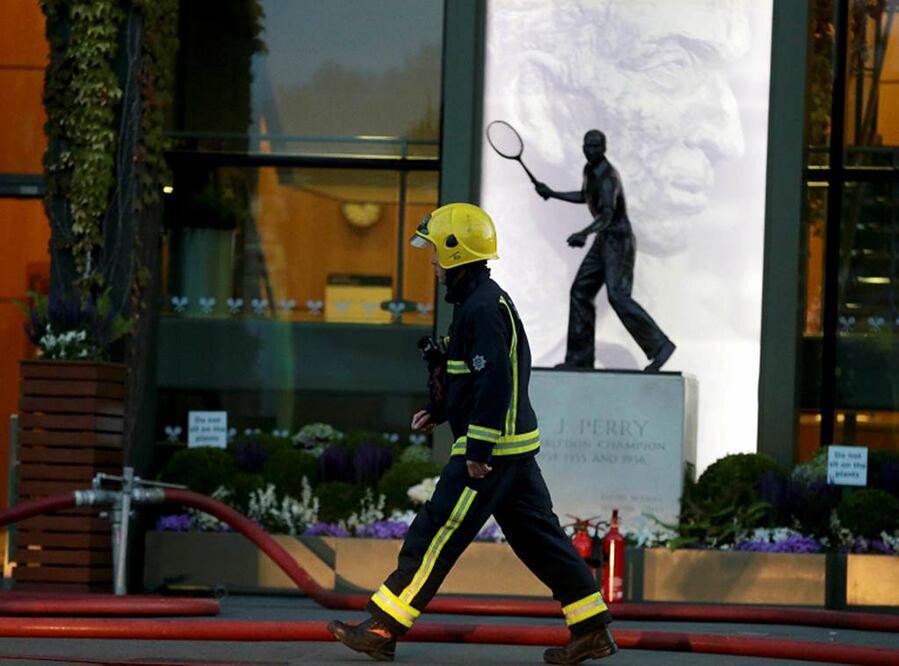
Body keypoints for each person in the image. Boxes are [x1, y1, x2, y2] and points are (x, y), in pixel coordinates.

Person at [328, 203, 618, 664]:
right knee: (541, 541)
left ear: (455, 253)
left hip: (492, 452)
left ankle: (383, 628)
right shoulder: (480, 301)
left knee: (436, 531)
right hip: (512, 449)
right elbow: (472, 374)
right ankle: (592, 629)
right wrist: (440, 410)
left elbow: (495, 381)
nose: (431, 260)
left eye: (435, 252)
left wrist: (479, 449)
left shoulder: (480, 308)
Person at [535, 130, 675, 371]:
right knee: (580, 292)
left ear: (604, 148)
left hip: (618, 241)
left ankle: (660, 346)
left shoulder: (608, 177)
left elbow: (607, 215)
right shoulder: (590, 170)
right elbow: (586, 196)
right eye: (587, 146)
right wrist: (553, 193)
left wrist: (583, 233)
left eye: (595, 146)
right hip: (604, 240)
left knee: (618, 296)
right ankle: (579, 358)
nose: (589, 150)